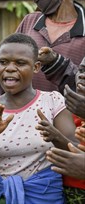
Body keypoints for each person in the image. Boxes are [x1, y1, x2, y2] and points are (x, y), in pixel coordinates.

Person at [0, 33, 77, 203]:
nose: (9, 68)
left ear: (36, 67)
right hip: (5, 196)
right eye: (3, 62)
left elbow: (75, 153)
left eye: (20, 63)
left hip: (46, 196)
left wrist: (55, 137)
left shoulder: (53, 101)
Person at [12, 0, 85, 94]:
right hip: (23, 110)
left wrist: (56, 62)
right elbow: (5, 71)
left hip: (67, 111)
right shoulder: (29, 22)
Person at [42, 57, 85, 203]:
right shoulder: (66, 110)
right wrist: (56, 136)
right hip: (65, 190)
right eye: (81, 70)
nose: (82, 75)